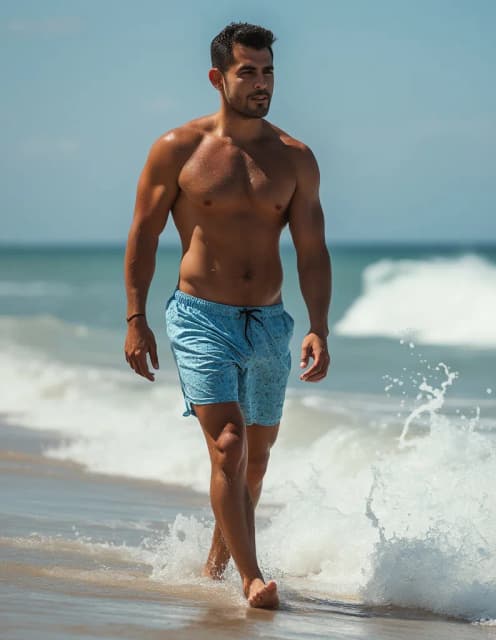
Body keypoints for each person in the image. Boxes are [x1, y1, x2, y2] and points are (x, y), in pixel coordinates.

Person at [123, 22, 331, 609]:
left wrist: (318, 324)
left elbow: (312, 250)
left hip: (269, 323)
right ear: (218, 78)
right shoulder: (178, 149)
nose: (262, 83)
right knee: (229, 447)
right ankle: (251, 578)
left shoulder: (294, 159)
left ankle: (216, 565)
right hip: (200, 318)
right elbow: (143, 233)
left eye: (268, 71)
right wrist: (135, 317)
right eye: (248, 72)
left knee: (256, 464)